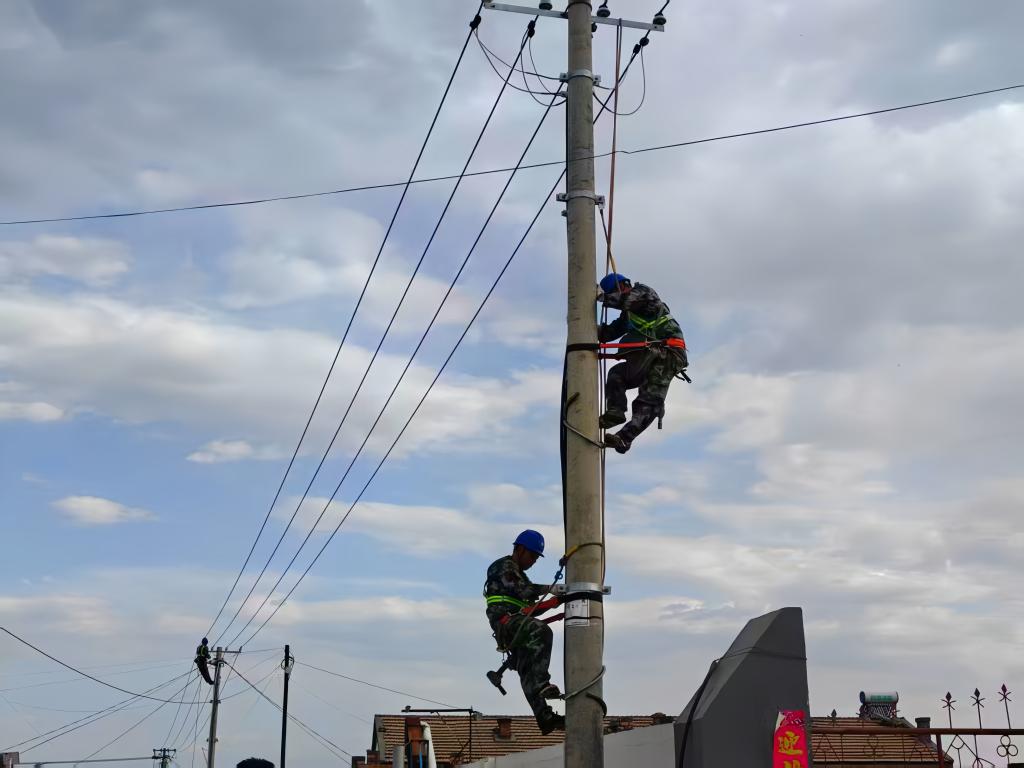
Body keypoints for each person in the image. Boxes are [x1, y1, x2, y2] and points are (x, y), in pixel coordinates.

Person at [483, 530, 564, 734]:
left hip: (514, 621)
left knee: (527, 668)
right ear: (520, 549)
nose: (534, 561)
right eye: (532, 555)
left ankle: (545, 718)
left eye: (536, 557)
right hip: (505, 623)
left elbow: (528, 608)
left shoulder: (520, 574)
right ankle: (542, 683)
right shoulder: (503, 566)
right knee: (542, 631)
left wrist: (555, 602)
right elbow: (524, 590)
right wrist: (551, 589)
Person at [597, 273, 688, 454]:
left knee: (649, 399)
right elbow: (608, 334)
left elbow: (627, 300)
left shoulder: (644, 293)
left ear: (623, 285)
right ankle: (615, 411)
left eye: (614, 291)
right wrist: (583, 326)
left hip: (669, 354)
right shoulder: (628, 316)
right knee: (617, 374)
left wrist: (600, 296)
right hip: (648, 356)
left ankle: (624, 438)